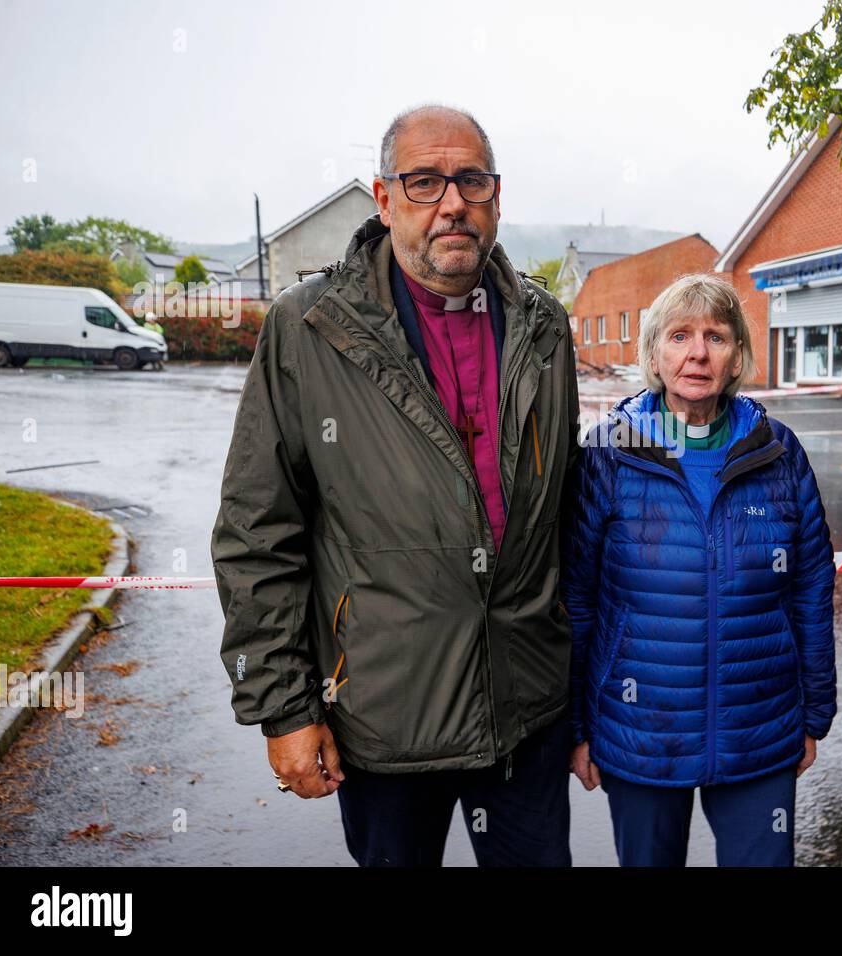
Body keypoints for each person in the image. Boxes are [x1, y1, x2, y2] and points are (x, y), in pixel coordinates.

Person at [211, 104, 580, 867]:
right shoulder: (309, 329)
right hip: (384, 723)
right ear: (384, 199)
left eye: (470, 181)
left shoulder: (544, 325)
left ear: (497, 197)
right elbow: (258, 531)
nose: (452, 203)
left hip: (526, 716)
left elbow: (564, 515)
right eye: (424, 182)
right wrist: (283, 709)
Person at [563, 273, 837, 866]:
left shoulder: (780, 452)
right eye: (679, 335)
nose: (697, 353)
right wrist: (577, 725)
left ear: (737, 353)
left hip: (759, 729)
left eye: (715, 337)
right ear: (654, 354)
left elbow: (812, 590)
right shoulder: (608, 454)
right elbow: (578, 600)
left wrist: (815, 710)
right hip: (641, 733)